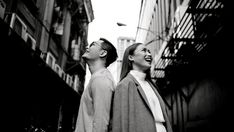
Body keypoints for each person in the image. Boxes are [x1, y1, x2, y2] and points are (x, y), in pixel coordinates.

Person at [112, 43, 173, 132]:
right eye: (143, 50)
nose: (149, 54)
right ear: (131, 57)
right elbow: (120, 124)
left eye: (149, 51)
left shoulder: (152, 86)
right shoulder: (125, 85)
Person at [75, 38, 118, 132]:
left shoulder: (101, 79)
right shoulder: (98, 78)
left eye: (93, 45)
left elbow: (101, 123)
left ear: (103, 53)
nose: (87, 48)